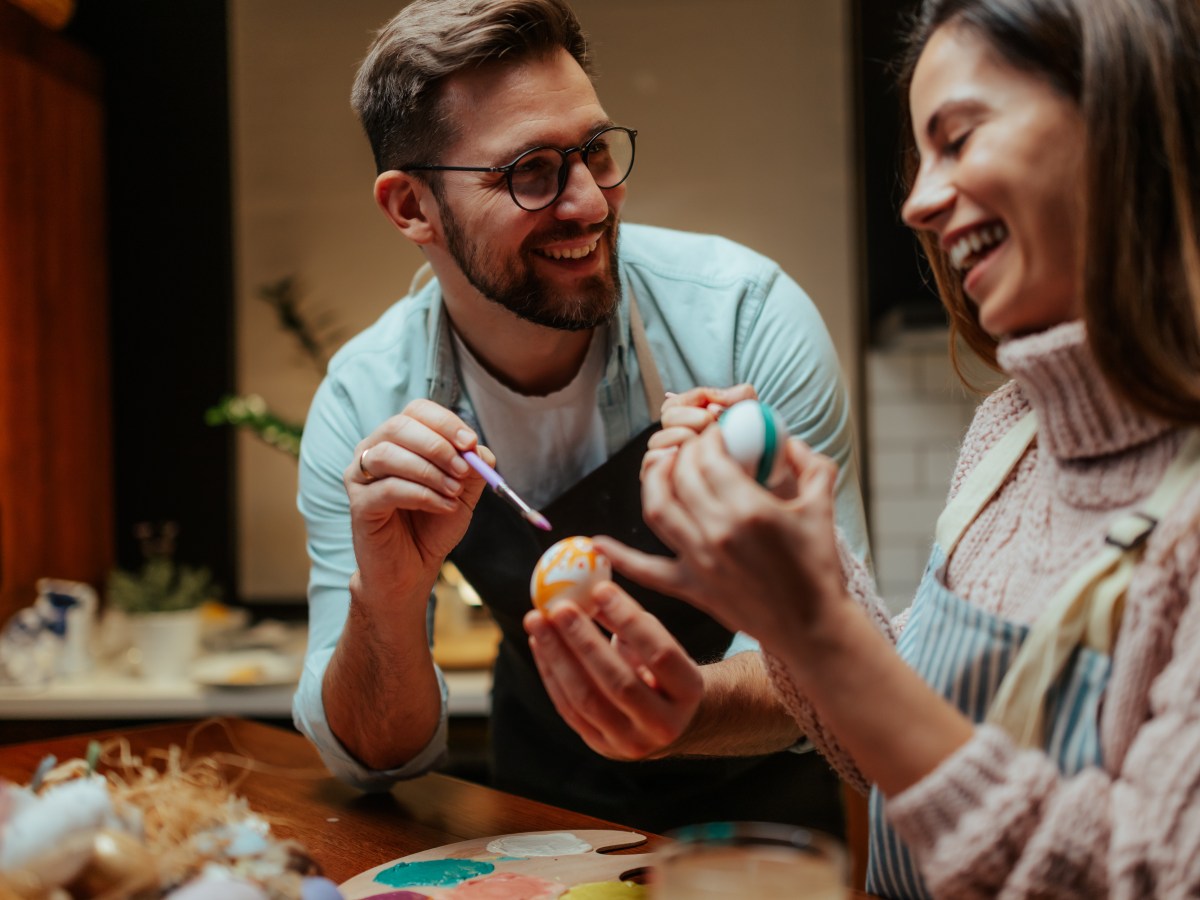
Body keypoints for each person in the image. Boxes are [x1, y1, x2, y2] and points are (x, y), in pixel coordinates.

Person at [529, 0, 1200, 894]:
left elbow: (1147, 876)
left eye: (958, 139)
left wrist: (808, 623)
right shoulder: (1010, 436)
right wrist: (793, 597)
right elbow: (893, 752)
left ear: (1116, 124)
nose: (919, 201)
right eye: (922, 157)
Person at [291, 0, 869, 834]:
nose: (590, 203)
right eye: (530, 170)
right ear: (411, 208)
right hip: (539, 821)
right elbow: (373, 760)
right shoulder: (365, 404)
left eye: (594, 151)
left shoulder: (742, 320)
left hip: (762, 829)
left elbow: (846, 656)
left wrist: (689, 711)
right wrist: (386, 598)